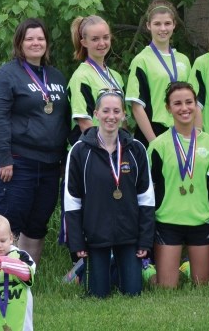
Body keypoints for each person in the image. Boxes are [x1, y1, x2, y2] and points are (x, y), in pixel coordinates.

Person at [0, 18, 70, 265]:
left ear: (47, 43)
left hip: (49, 163)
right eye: (29, 38)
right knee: (8, 224)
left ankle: (26, 276)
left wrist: (62, 157)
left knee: (37, 223)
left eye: (40, 38)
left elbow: (61, 120)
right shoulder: (6, 75)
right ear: (19, 43)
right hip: (15, 162)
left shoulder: (56, 76)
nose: (36, 43)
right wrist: (4, 158)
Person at [64, 90, 155, 297]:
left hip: (129, 235)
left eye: (116, 111)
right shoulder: (79, 151)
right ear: (96, 113)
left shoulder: (136, 149)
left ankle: (117, 266)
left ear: (124, 115)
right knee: (98, 295)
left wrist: (144, 241)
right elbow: (72, 200)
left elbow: (146, 198)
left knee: (133, 292)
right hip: (96, 236)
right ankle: (91, 270)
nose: (111, 116)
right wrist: (77, 242)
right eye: (105, 111)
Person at [147, 82, 209, 287]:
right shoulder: (158, 145)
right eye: (177, 103)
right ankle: (148, 272)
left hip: (200, 219)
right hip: (168, 220)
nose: (184, 108)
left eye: (189, 102)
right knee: (166, 287)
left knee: (203, 285)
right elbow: (149, 189)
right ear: (169, 108)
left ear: (196, 105)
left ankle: (185, 266)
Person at [127, 0, 195, 146]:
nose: (163, 28)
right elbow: (137, 106)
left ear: (174, 25)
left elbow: (191, 102)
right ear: (148, 26)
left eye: (167, 23)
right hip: (153, 133)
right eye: (157, 24)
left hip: (181, 130)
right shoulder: (141, 60)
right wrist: (154, 142)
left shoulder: (183, 60)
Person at [67, 15, 125, 143]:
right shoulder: (81, 77)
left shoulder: (117, 77)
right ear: (84, 42)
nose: (102, 43)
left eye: (105, 37)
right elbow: (84, 122)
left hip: (115, 148)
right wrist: (104, 150)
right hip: (91, 150)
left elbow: (122, 119)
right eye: (95, 39)